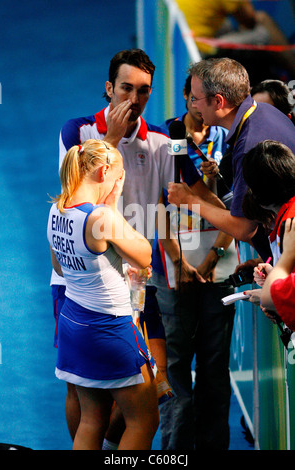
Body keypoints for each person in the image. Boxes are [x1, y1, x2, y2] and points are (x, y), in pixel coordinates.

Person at [51, 49, 221, 445]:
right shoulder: (76, 134)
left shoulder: (164, 142)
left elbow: (194, 194)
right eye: (125, 88)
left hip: (137, 288)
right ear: (109, 88)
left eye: (143, 91)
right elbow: (72, 197)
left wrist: (239, 219)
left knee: (149, 397)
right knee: (83, 393)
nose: (133, 99)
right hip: (78, 284)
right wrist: (110, 139)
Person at [47, 139, 159, 450]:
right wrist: (112, 202)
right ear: (106, 171)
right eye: (118, 178)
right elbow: (145, 255)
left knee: (92, 419)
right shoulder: (102, 217)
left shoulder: (56, 210)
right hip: (109, 327)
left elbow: (61, 266)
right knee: (144, 421)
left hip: (74, 323)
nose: (118, 184)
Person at [150, 73, 237, 449]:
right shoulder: (168, 140)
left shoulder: (228, 139)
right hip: (174, 267)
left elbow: (238, 209)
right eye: (195, 100)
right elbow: (157, 204)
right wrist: (180, 261)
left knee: (215, 369)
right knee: (176, 369)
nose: (202, 111)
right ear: (187, 98)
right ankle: (174, 451)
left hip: (219, 262)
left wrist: (214, 255)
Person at [168, 57, 295, 260]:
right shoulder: (265, 111)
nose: (192, 104)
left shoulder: (249, 147)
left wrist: (190, 200)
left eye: (196, 98)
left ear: (218, 101)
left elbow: (243, 228)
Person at [238, 141, 295, 321]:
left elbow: (278, 296)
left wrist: (266, 296)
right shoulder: (286, 217)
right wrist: (274, 274)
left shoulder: (290, 222)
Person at [175, 0, 295, 76]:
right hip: (201, 52)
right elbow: (250, 21)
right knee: (263, 27)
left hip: (182, 48)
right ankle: (293, 67)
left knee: (226, 25)